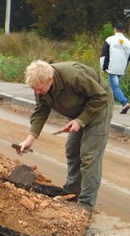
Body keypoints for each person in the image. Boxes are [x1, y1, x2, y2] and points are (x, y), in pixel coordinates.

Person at [16, 60, 113, 209]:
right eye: (35, 90)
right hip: (80, 111)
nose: (37, 93)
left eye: (40, 89)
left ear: (51, 80)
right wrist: (31, 138)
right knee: (72, 150)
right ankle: (71, 193)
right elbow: (41, 110)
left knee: (89, 156)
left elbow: (100, 96)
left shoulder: (73, 76)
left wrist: (81, 120)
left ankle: (86, 204)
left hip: (98, 107)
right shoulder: (39, 84)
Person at [101, 22, 130, 114]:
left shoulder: (109, 40)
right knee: (113, 86)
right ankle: (109, 104)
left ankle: (125, 102)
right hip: (121, 67)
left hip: (112, 66)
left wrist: (104, 67)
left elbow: (105, 54)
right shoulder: (129, 43)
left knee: (115, 86)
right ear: (123, 30)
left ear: (114, 29)